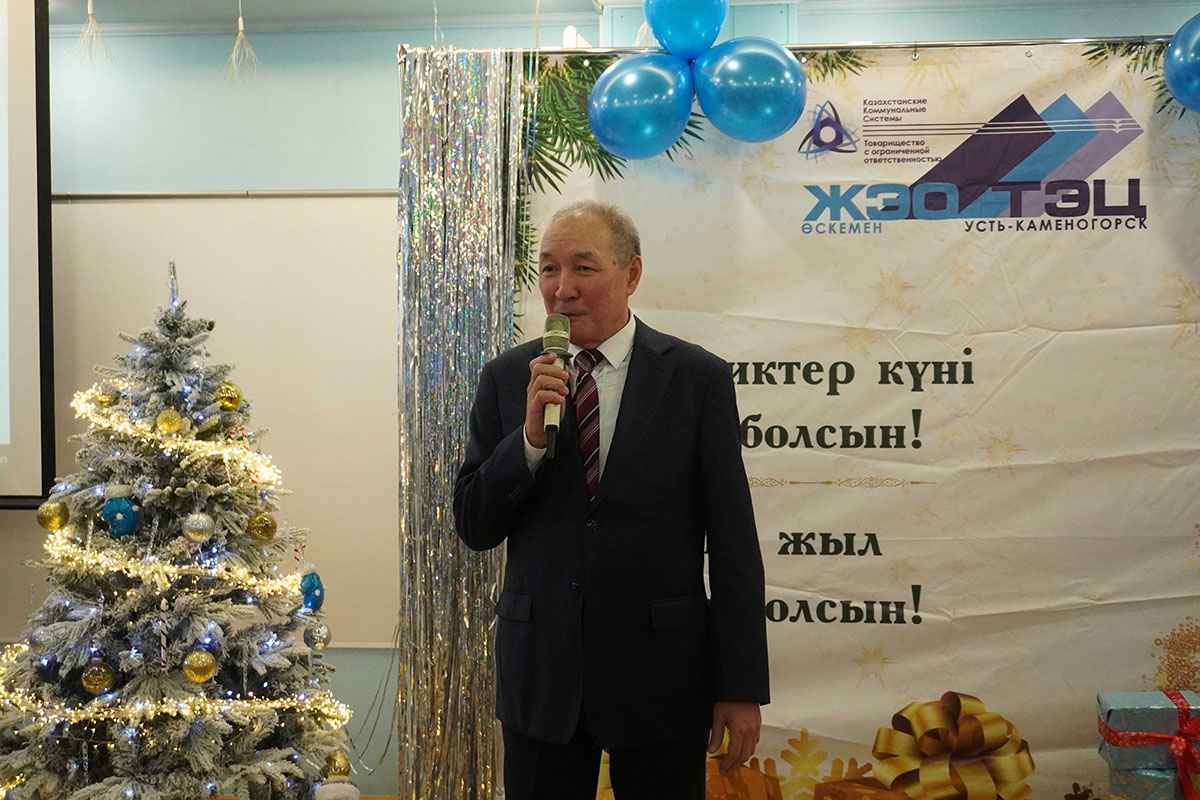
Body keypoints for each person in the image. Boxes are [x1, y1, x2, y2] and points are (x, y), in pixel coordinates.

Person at [453, 200, 769, 800]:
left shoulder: (696, 378)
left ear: (632, 274)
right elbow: (474, 523)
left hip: (662, 675)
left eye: (583, 267)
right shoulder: (508, 377)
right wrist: (528, 442)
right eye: (549, 268)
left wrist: (740, 684)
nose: (562, 289)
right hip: (543, 675)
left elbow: (733, 541)